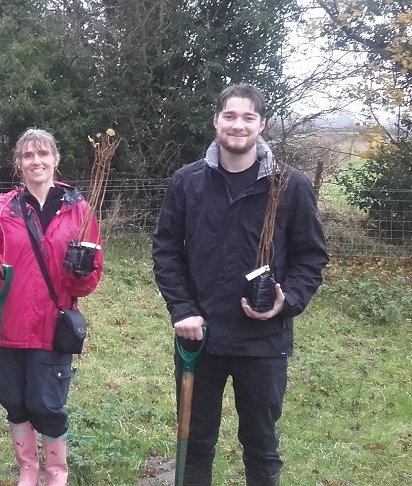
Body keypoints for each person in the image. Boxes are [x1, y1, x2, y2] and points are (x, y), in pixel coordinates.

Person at [152, 84, 328, 486]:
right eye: (230, 116)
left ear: (262, 125)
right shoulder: (187, 182)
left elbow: (311, 256)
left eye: (248, 117)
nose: (238, 125)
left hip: (263, 342)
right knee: (194, 443)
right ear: (216, 121)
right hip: (200, 338)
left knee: (261, 445)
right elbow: (166, 251)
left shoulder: (289, 185)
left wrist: (287, 300)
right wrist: (183, 309)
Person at [0, 128, 103, 485]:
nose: (36, 161)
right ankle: (28, 469)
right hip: (9, 326)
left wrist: (80, 273)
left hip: (52, 328)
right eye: (28, 155)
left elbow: (90, 278)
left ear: (55, 159)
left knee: (47, 405)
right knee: (15, 402)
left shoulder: (79, 211)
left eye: (43, 154)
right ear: (18, 164)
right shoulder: (2, 209)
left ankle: (56, 472)